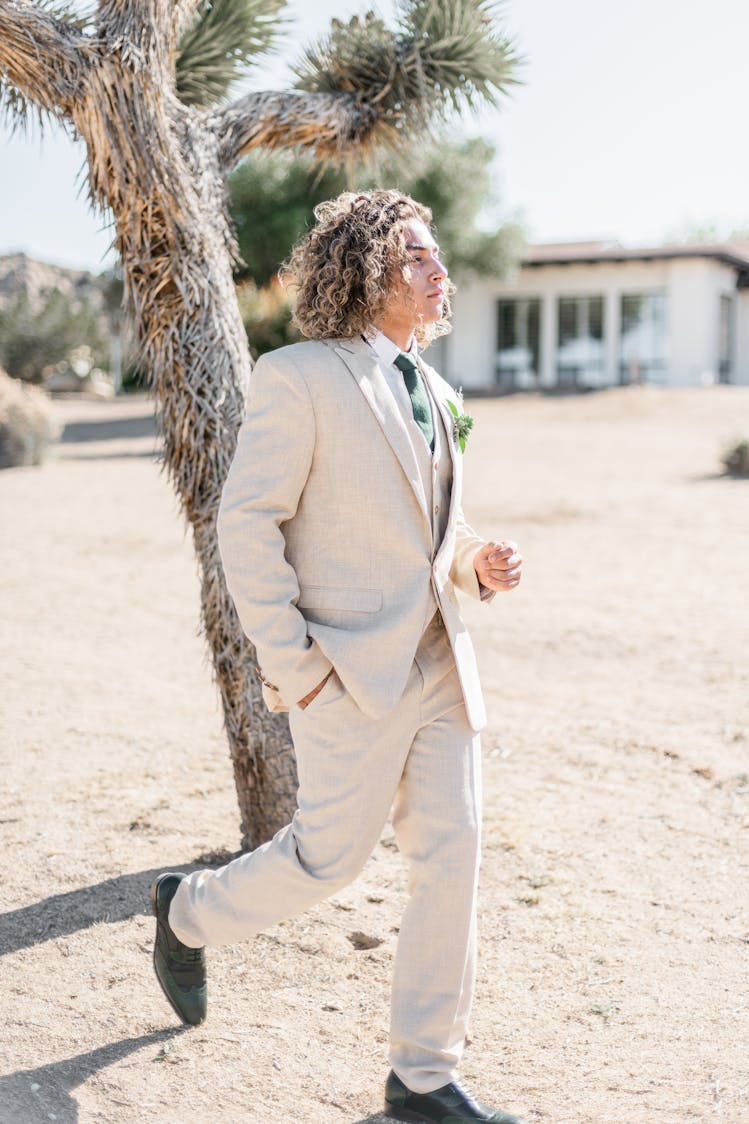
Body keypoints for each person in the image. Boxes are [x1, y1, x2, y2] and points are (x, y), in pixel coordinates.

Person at [151, 190, 526, 1124]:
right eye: (415, 258)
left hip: (443, 665)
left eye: (437, 256)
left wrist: (475, 563)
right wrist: (298, 665)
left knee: (456, 851)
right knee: (328, 862)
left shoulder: (440, 393)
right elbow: (248, 525)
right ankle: (187, 913)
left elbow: (431, 531)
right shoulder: (299, 377)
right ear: (365, 271)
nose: (439, 271)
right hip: (346, 675)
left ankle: (423, 1077)